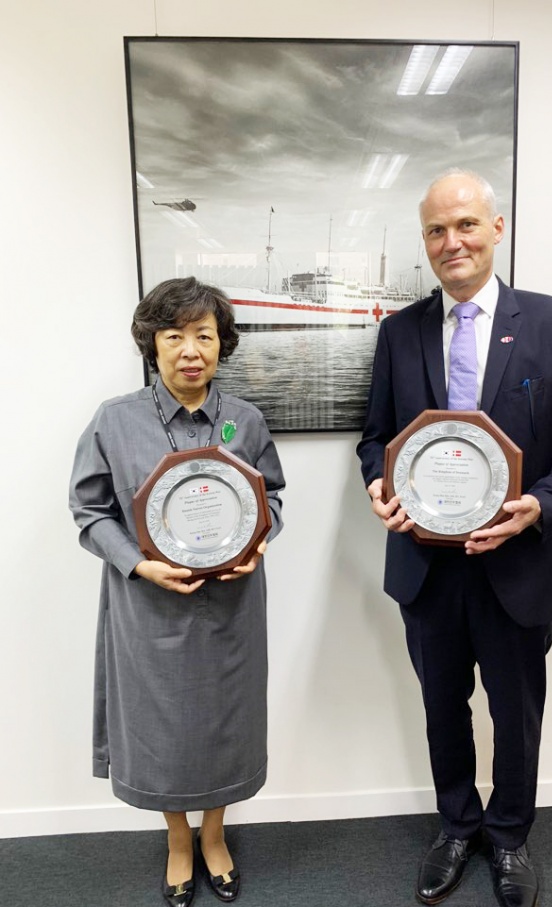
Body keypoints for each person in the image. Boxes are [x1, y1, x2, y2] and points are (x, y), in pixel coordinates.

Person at [357, 170, 552, 907]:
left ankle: (508, 836)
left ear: (496, 228)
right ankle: (456, 826)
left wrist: (542, 503)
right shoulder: (399, 332)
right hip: (425, 566)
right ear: (425, 241)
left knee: (516, 713)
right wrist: (378, 486)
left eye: (466, 224)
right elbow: (375, 438)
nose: (453, 242)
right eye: (436, 230)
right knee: (442, 707)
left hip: (520, 565)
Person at [70, 277, 285, 907]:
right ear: (153, 345)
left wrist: (259, 541)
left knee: (227, 720)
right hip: (149, 606)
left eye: (204, 336)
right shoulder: (115, 421)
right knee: (160, 724)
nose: (191, 350)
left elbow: (271, 496)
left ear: (221, 344)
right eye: (175, 336)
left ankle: (214, 835)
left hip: (233, 605)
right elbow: (90, 510)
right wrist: (137, 565)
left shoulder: (245, 421)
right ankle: (177, 840)